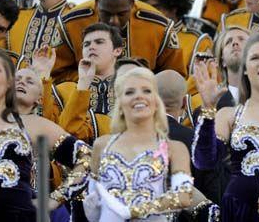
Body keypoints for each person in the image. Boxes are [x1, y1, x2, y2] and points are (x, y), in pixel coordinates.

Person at [193, 32, 259, 221]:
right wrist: (208, 109)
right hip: (241, 212)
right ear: (245, 69)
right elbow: (204, 161)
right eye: (255, 58)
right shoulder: (228, 115)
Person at [0, 47, 91, 221]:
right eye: (18, 79)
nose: (21, 83)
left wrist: (55, 198)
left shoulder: (36, 125)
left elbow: (87, 157)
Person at [86, 67, 213, 221]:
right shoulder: (102, 145)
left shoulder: (175, 148)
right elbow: (92, 200)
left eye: (146, 91)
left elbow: (184, 196)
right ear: (120, 103)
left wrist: (133, 211)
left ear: (156, 101)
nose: (139, 96)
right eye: (130, 92)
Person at [51, 0, 184, 83]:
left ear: (132, 4)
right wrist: (92, 78)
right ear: (97, 3)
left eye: (121, 14)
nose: (113, 21)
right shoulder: (70, 23)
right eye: (106, 13)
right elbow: (56, 74)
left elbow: (176, 77)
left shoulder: (159, 26)